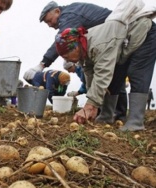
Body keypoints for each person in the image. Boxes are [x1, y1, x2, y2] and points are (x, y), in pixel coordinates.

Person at [55, 0, 156, 132]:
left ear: (75, 47)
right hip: (125, 43)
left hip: (145, 33)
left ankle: (135, 122)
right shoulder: (83, 53)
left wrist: (90, 105)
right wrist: (94, 103)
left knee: (136, 73)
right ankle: (106, 116)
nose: (66, 59)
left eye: (66, 55)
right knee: (115, 78)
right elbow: (91, 76)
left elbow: (103, 73)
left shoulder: (98, 44)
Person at [23, 1, 111, 81]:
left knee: (114, 83)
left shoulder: (69, 15)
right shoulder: (72, 11)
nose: (49, 25)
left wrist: (42, 64)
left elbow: (62, 40)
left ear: (57, 11)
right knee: (115, 83)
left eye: (49, 21)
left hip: (113, 34)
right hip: (109, 38)